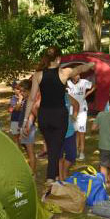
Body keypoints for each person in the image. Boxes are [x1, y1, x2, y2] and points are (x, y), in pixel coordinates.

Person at [22, 47, 95, 185]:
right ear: (58, 59)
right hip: (59, 117)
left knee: (53, 147)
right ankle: (51, 179)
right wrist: (91, 64)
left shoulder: (38, 75)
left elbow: (31, 99)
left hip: (44, 117)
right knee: (55, 149)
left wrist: (26, 120)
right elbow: (80, 69)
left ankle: (55, 177)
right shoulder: (64, 72)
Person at [67, 71, 95, 161]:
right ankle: (75, 151)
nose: (78, 76)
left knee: (82, 132)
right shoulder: (67, 84)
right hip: (72, 111)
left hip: (82, 110)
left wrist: (86, 94)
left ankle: (82, 152)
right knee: (75, 132)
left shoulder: (84, 82)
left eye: (79, 74)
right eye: (76, 74)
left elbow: (95, 85)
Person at [59, 92, 80, 181]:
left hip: (69, 131)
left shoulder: (66, 95)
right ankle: (61, 177)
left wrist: (74, 117)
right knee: (58, 156)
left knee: (72, 155)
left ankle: (65, 171)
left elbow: (76, 104)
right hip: (56, 134)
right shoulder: (49, 97)